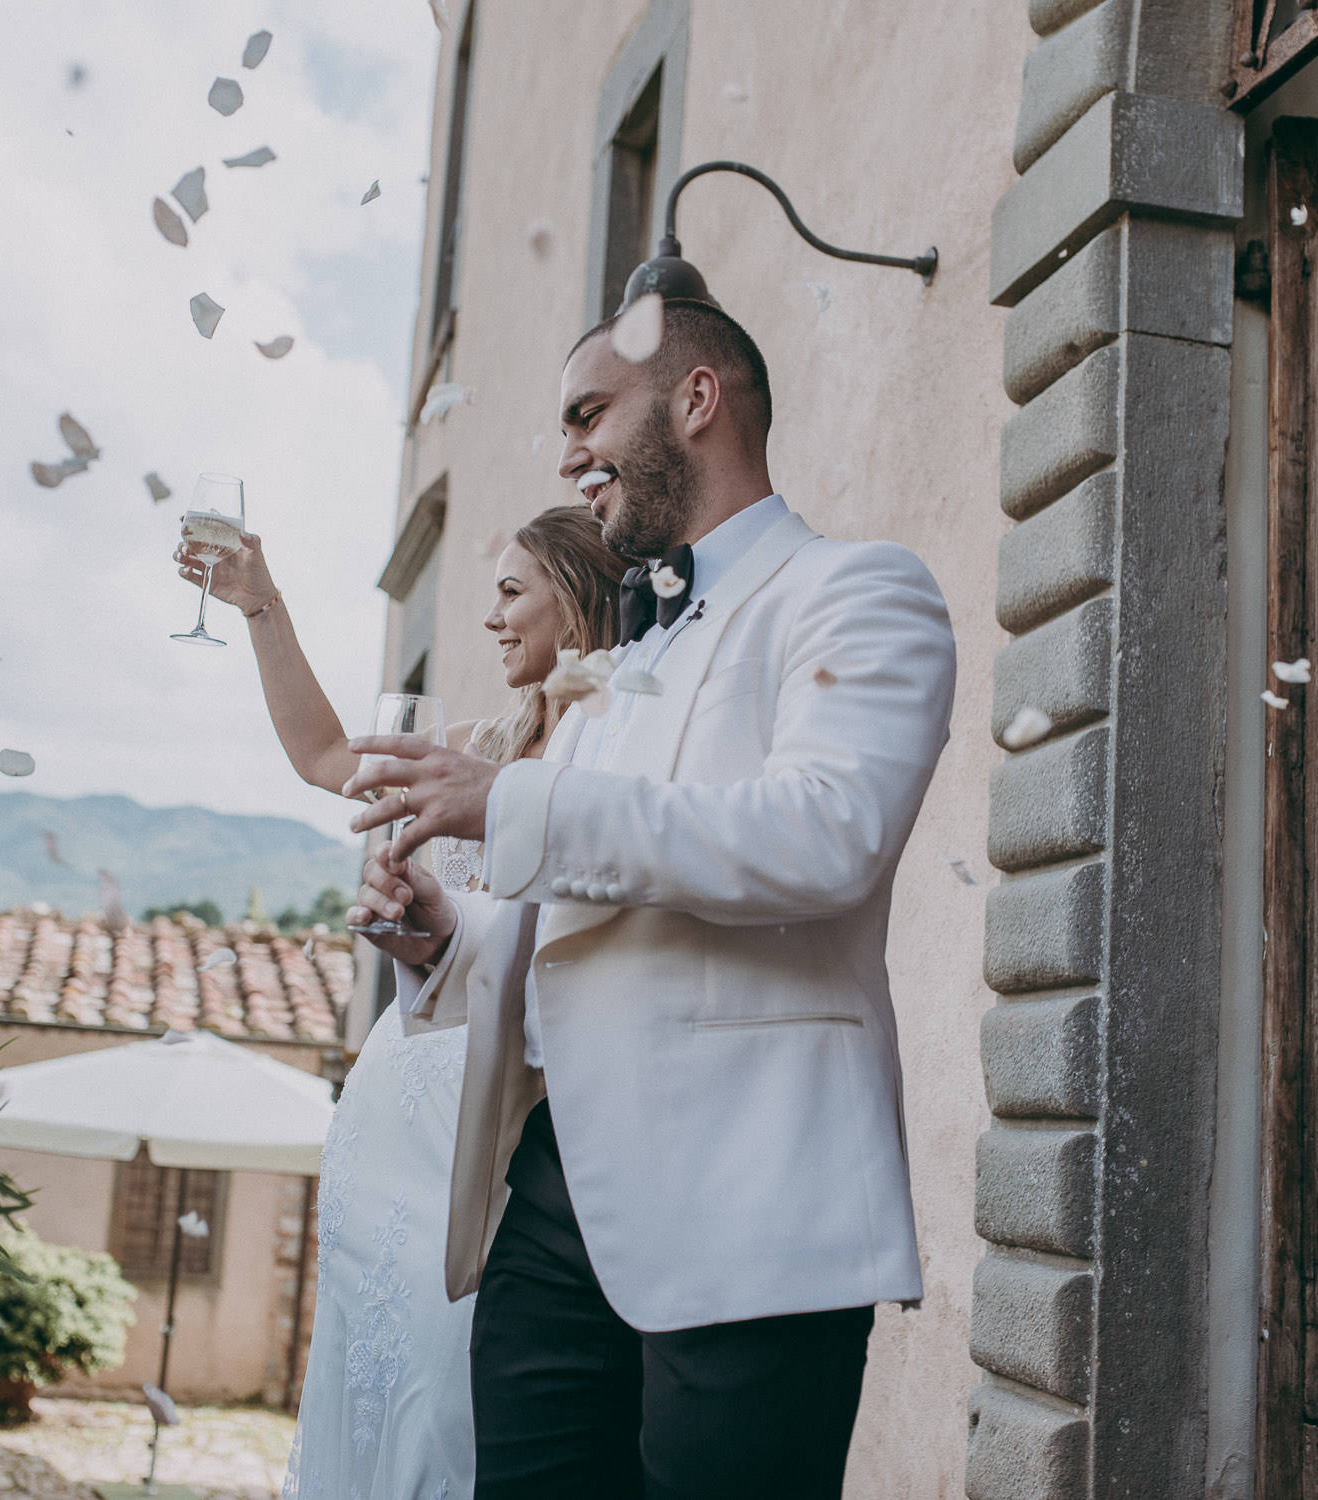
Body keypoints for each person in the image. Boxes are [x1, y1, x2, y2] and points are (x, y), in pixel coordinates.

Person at [345, 299, 958, 1500]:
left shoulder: (856, 590)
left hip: (751, 1204)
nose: (568, 452)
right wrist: (444, 939)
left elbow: (825, 835)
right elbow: (577, 926)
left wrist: (508, 803)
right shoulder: (622, 667)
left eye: (588, 414)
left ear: (695, 401)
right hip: (550, 1203)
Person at [174, 505, 627, 1500]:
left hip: (499, 1121)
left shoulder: (621, 755)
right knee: (367, 1372)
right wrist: (262, 607)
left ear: (579, 598)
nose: (492, 619)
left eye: (512, 592)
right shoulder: (476, 742)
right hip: (393, 1106)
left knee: (457, 1389)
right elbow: (329, 758)